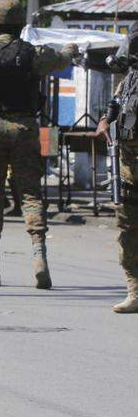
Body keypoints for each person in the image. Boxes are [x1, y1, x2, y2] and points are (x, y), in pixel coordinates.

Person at [0, 0, 76, 289]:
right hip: (25, 128)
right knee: (31, 194)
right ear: (21, 22)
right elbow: (61, 58)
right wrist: (70, 49)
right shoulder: (33, 54)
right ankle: (39, 260)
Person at [97, 23, 138, 313]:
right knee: (128, 229)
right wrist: (103, 121)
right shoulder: (130, 79)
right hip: (128, 168)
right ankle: (135, 292)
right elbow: (115, 105)